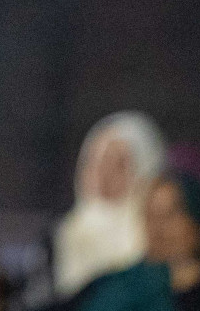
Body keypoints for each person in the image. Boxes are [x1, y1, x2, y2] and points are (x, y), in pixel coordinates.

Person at [74, 169, 200, 311]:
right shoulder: (116, 287)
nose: (158, 228)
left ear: (198, 220)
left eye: (170, 215)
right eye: (150, 216)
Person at [54, 112, 169, 300]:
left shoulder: (160, 236)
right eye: (97, 161)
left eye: (120, 165)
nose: (104, 175)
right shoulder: (65, 234)